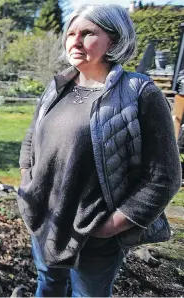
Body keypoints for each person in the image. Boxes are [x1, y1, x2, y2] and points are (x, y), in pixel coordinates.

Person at [17, 4, 181, 297]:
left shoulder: (139, 93)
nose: (75, 41)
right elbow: (31, 138)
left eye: (88, 33)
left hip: (94, 233)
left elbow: (164, 177)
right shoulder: (58, 87)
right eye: (70, 34)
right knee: (49, 286)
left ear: (114, 41)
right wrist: (27, 184)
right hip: (46, 219)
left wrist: (110, 226)